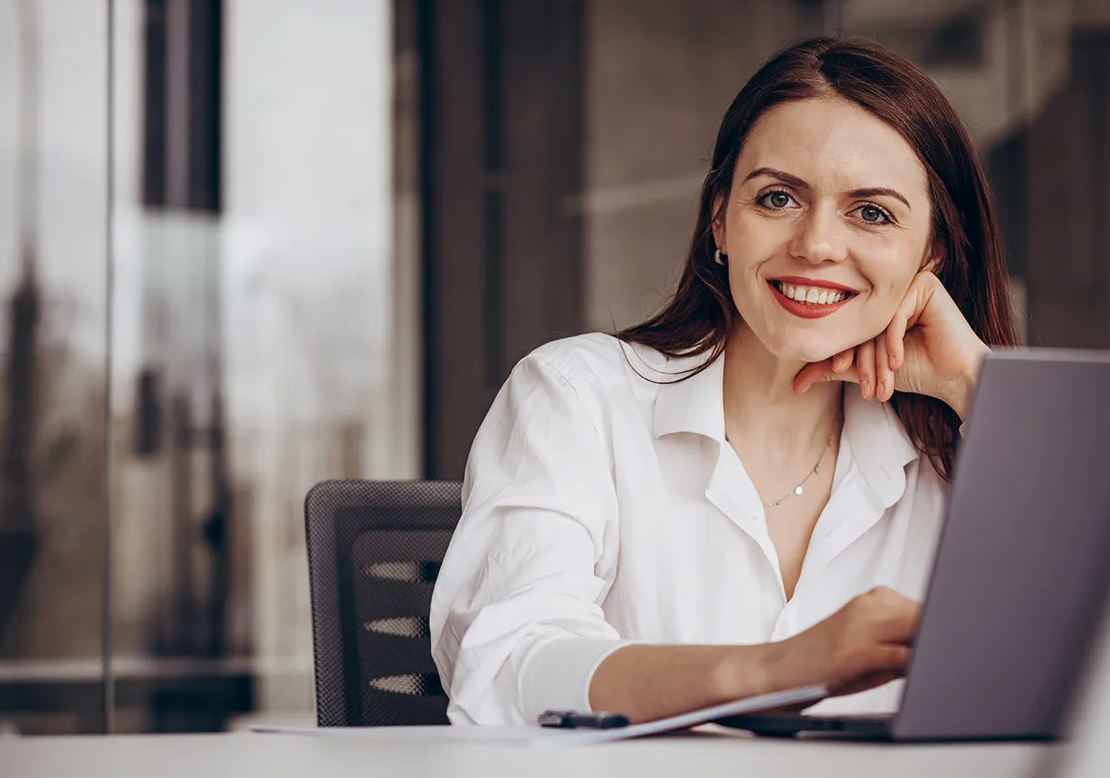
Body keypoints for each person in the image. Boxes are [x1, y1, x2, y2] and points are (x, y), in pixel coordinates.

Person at [428, 36, 1019, 726]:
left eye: (872, 213)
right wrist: (776, 670)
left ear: (932, 252)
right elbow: (506, 661)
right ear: (720, 218)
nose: (818, 244)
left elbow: (1108, 652)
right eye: (778, 198)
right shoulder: (578, 396)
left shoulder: (962, 451)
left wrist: (978, 385)